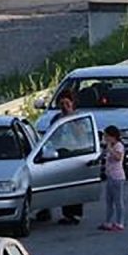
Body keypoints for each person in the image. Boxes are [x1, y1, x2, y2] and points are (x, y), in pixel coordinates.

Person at [39, 92, 86, 225]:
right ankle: (50, 211)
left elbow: (81, 137)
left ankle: (74, 214)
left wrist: (71, 121)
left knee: (73, 186)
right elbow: (52, 136)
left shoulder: (78, 119)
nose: (64, 106)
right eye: (62, 104)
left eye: (67, 103)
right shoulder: (56, 119)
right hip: (59, 154)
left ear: (72, 104)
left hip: (75, 154)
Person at [99, 125, 126, 231]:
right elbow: (103, 155)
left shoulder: (118, 146)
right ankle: (108, 222)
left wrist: (110, 148)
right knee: (109, 201)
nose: (105, 138)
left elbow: (118, 158)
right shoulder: (109, 147)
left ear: (112, 136)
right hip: (109, 176)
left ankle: (120, 222)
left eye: (106, 136)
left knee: (118, 201)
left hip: (117, 177)